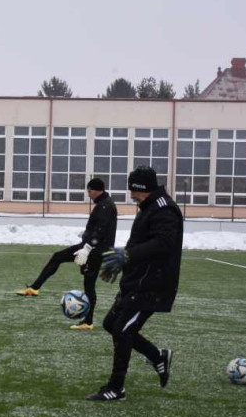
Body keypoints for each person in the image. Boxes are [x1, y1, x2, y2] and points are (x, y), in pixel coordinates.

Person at [86, 166, 182, 401]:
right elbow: (140, 242)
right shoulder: (147, 207)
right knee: (111, 323)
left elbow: (163, 243)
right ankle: (157, 357)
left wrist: (127, 256)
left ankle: (116, 388)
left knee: (123, 329)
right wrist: (121, 263)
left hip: (153, 284)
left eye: (133, 190)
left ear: (144, 189)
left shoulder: (165, 209)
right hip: (137, 280)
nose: (131, 195)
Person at [16, 177, 117, 330]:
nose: (88, 193)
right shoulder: (104, 204)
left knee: (89, 284)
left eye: (89, 190)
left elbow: (100, 230)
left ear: (97, 190)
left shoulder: (105, 206)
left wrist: (88, 248)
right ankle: (34, 288)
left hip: (94, 251)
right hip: (90, 247)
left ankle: (87, 322)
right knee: (58, 257)